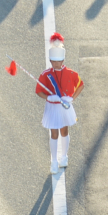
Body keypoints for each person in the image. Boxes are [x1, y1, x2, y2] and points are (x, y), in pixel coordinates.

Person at [36, 32, 83, 173]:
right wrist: (48, 98)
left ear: (63, 60)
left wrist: (72, 98)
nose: (56, 63)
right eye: (54, 61)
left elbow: (81, 85)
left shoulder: (71, 73)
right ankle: (54, 161)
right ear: (50, 61)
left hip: (65, 106)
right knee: (54, 133)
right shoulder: (45, 75)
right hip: (52, 107)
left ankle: (64, 157)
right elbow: (38, 91)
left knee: (64, 131)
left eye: (59, 61)